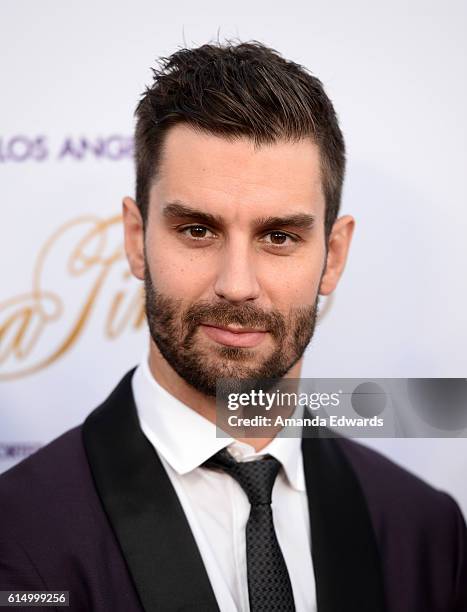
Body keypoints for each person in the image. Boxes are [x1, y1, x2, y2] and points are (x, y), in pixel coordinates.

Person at [0, 40, 465, 612]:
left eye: (280, 236)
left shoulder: (426, 531)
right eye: (197, 230)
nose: (237, 283)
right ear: (135, 239)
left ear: (334, 255)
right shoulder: (18, 534)